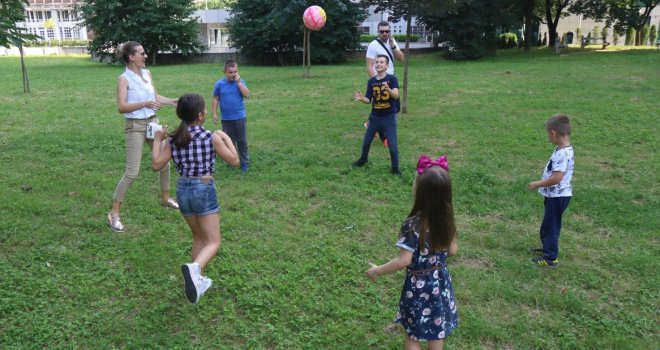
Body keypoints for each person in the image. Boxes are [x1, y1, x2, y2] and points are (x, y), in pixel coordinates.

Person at [151, 93, 239, 303]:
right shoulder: (212, 137)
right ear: (200, 115)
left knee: (199, 237)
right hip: (203, 188)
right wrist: (226, 137)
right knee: (214, 242)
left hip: (182, 191)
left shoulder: (173, 139)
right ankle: (194, 269)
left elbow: (156, 165)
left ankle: (196, 280)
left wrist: (157, 140)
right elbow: (234, 161)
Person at [366, 155, 459, 350]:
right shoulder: (447, 219)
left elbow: (403, 261)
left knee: (413, 334)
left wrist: (377, 270)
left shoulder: (412, 225)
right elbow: (452, 250)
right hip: (441, 283)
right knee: (437, 331)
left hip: (418, 288)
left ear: (419, 191)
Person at [107, 41, 179, 233]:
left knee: (165, 163)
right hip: (135, 127)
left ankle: (165, 198)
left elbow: (154, 96)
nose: (145, 56)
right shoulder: (123, 79)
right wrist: (145, 103)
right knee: (132, 171)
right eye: (142, 53)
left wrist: (173, 101)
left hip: (152, 123)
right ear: (131, 57)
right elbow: (121, 107)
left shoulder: (147, 73)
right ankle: (114, 214)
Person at [527, 114, 574, 268]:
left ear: (553, 133)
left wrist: (538, 184)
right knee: (549, 224)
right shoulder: (564, 149)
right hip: (556, 195)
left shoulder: (562, 154)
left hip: (558, 196)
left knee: (551, 225)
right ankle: (547, 248)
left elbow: (557, 178)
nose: (548, 137)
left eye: (548, 134)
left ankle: (550, 258)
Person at [352, 54, 401, 175]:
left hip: (389, 117)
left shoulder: (392, 79)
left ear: (387, 65)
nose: (378, 64)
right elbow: (369, 100)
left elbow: (396, 95)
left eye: (382, 62)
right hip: (375, 117)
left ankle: (395, 169)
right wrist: (362, 98)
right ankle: (363, 160)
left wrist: (388, 89)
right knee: (367, 141)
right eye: (377, 62)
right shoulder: (371, 81)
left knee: (392, 144)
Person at [364, 21, 405, 145]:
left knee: (395, 107)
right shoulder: (373, 45)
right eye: (382, 31)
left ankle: (370, 124)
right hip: (379, 82)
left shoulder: (392, 42)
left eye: (387, 31)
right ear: (378, 32)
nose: (384, 33)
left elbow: (401, 58)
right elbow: (369, 66)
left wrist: (393, 46)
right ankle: (384, 137)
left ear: (390, 31)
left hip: (391, 80)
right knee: (382, 108)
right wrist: (376, 82)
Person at [212, 60, 251, 173]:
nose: (233, 74)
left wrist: (239, 83)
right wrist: (214, 113)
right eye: (230, 72)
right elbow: (215, 98)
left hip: (239, 117)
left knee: (242, 141)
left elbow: (247, 95)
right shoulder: (219, 84)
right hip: (226, 118)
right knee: (229, 141)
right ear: (224, 72)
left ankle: (244, 163)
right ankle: (231, 162)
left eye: (235, 71)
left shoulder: (240, 82)